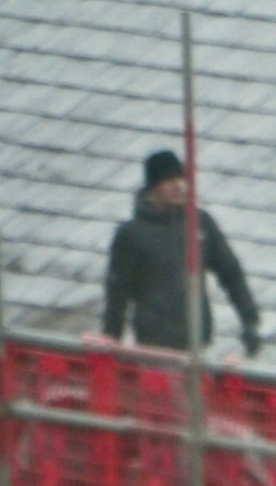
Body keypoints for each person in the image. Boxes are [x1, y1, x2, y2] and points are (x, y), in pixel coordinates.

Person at [102, 150, 260, 355]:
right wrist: (111, 342)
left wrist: (249, 320)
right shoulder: (131, 235)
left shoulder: (200, 223)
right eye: (169, 180)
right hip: (154, 349)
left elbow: (231, 273)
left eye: (180, 178)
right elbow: (117, 293)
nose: (178, 186)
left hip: (199, 346)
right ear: (153, 186)